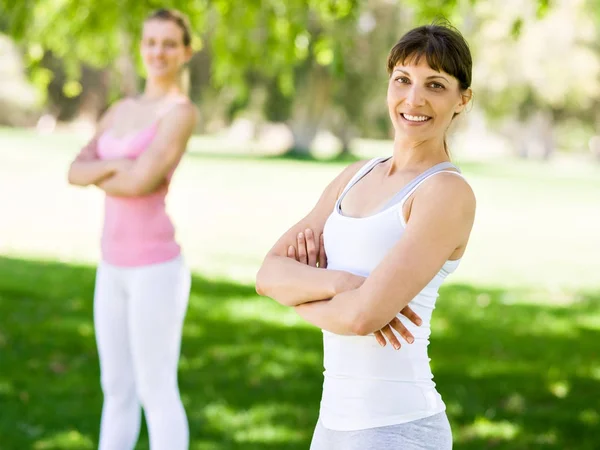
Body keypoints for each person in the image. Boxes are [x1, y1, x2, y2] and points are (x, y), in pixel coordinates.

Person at [255, 22, 475, 450]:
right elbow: (267, 275)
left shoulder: (445, 192)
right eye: (403, 80)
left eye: (435, 84)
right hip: (331, 427)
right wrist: (340, 285)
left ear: (462, 99)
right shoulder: (355, 175)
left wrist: (298, 294)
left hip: (397, 429)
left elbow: (361, 318)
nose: (415, 99)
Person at [67, 8, 197, 450]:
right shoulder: (121, 108)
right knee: (116, 389)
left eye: (168, 43)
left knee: (156, 389)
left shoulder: (180, 112)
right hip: (112, 266)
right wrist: (119, 165)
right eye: (151, 42)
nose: (158, 52)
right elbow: (72, 169)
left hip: (155, 268)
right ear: (142, 47)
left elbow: (141, 182)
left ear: (185, 52)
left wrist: (100, 171)